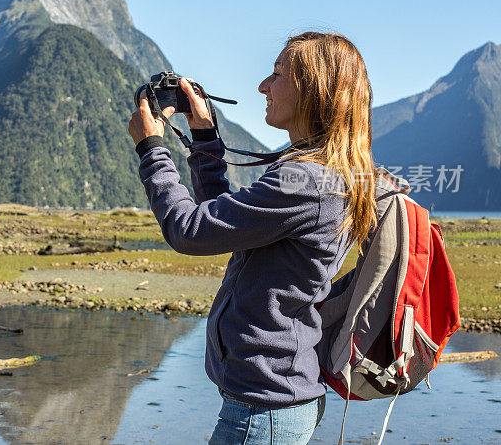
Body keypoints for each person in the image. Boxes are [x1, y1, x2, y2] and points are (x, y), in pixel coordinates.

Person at [127, 32, 376, 444]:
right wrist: (204, 137)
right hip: (274, 402)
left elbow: (189, 230)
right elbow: (229, 227)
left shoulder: (308, 182)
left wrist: (152, 150)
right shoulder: (322, 173)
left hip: (265, 409)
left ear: (314, 91)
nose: (263, 86)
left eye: (277, 74)